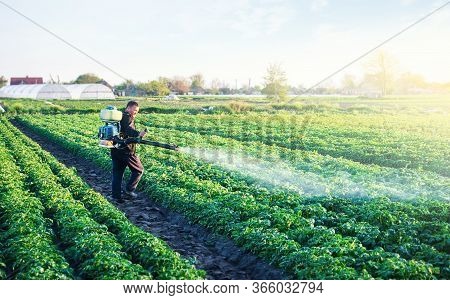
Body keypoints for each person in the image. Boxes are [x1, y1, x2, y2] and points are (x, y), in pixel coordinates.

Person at [111, 100, 147, 203]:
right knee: (139, 170)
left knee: (117, 173)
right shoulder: (127, 117)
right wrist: (138, 134)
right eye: (135, 110)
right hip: (126, 151)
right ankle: (128, 190)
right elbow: (128, 130)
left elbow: (123, 131)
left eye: (137, 111)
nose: (135, 113)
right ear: (129, 108)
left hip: (115, 149)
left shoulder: (118, 117)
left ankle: (115, 196)